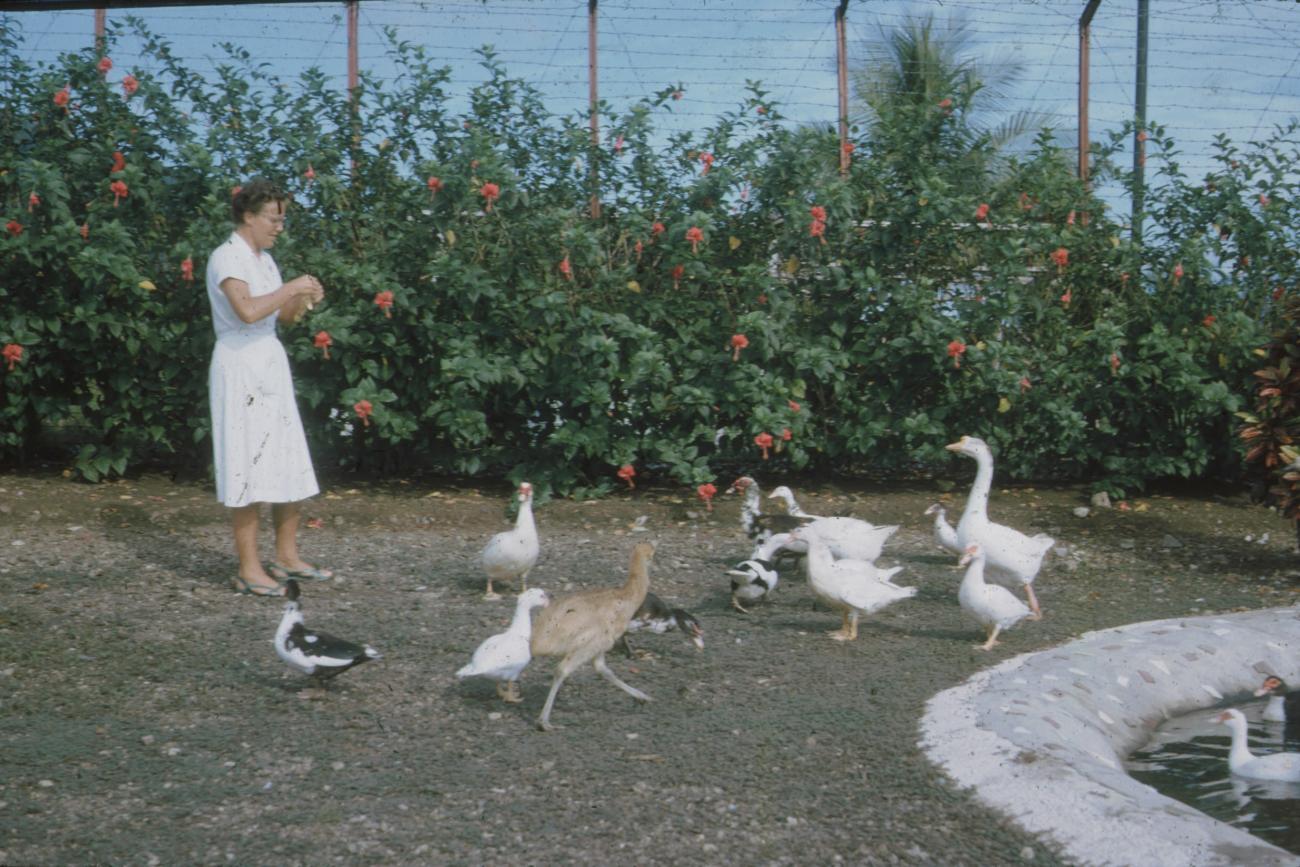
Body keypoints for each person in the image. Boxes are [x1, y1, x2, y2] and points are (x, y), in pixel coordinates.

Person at [205, 179, 331, 597]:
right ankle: (247, 568)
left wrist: (304, 297)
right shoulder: (227, 258)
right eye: (273, 219)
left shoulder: (265, 261)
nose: (279, 227)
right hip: (239, 366)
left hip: (269, 364)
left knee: (285, 456)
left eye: (282, 219)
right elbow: (246, 311)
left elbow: (284, 316)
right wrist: (291, 287)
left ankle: (287, 556)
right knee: (246, 462)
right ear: (248, 216)